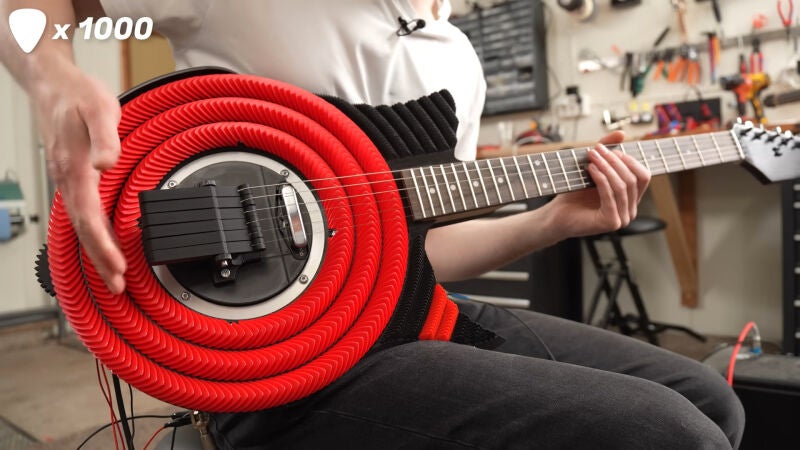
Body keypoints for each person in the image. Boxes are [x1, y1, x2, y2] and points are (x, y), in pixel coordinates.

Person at [0, 0, 744, 448]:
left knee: (711, 400)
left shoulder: (457, 61)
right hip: (276, 368)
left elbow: (422, 249)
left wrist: (549, 222)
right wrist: (54, 79)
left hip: (403, 317)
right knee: (669, 435)